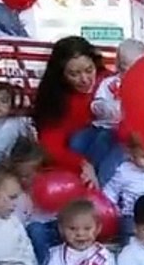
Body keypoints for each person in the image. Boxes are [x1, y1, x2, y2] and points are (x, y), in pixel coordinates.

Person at [32, 36, 106, 188]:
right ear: (61, 75)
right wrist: (82, 164)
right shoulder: (55, 100)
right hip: (73, 166)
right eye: (74, 74)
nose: (84, 79)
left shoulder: (109, 84)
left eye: (89, 70)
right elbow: (51, 147)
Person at [73, 39, 144, 187]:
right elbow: (95, 104)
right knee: (76, 141)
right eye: (125, 70)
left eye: (136, 70)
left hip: (120, 134)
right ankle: (77, 175)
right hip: (99, 125)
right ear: (118, 66)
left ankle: (97, 179)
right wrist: (104, 107)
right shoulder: (110, 83)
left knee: (104, 145)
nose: (129, 75)